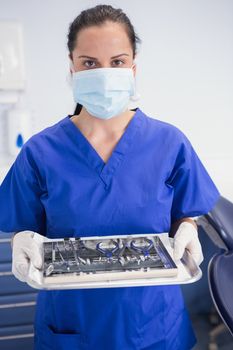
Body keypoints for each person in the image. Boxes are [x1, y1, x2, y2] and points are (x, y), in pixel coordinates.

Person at [0, 4, 220, 350]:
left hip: (152, 327)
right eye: (89, 63)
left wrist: (189, 227)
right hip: (73, 327)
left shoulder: (168, 143)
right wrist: (21, 242)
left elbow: (183, 213)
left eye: (117, 62)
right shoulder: (41, 152)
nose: (104, 73)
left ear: (133, 67)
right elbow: (23, 226)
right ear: (71, 67)